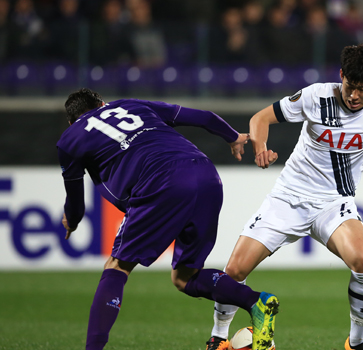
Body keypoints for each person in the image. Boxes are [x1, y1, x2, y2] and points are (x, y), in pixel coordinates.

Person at [206, 43, 363, 350]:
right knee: (234, 270)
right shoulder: (315, 96)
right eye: (350, 86)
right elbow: (260, 119)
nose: (354, 95)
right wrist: (260, 148)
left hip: (334, 205)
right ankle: (218, 338)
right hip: (288, 199)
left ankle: (356, 344)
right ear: (341, 75)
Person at [57, 88, 279, 350]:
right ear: (103, 103)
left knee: (116, 267)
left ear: (71, 122)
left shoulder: (69, 139)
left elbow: (75, 202)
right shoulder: (130, 104)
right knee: (185, 276)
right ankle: (256, 301)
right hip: (206, 175)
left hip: (158, 182)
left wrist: (71, 221)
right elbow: (205, 117)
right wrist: (232, 137)